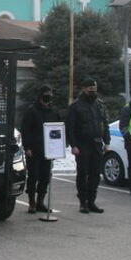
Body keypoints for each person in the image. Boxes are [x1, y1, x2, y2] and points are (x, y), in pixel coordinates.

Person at [65, 78, 110, 214]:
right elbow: (70, 128)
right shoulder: (76, 106)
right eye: (90, 88)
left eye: (94, 88)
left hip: (96, 143)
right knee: (83, 174)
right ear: (84, 89)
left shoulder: (100, 105)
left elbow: (105, 124)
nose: (92, 91)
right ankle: (83, 202)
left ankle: (91, 201)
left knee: (95, 174)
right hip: (82, 144)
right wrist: (73, 145)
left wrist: (107, 142)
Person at [20, 85, 61, 213]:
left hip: (48, 150)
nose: (49, 95)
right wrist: (27, 147)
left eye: (50, 93)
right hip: (34, 149)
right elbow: (25, 130)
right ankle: (31, 202)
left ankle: (40, 202)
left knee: (45, 176)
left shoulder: (53, 111)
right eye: (46, 93)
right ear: (41, 95)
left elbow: (57, 129)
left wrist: (58, 146)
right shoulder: (31, 111)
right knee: (33, 176)